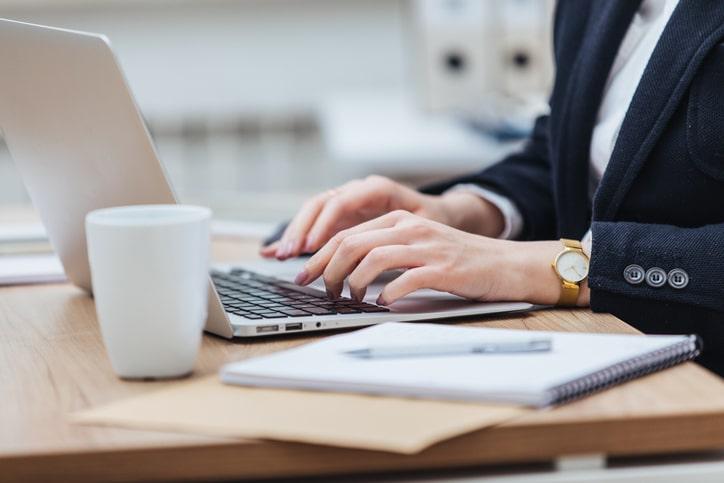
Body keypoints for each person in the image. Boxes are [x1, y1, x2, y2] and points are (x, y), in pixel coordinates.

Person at [261, 0, 724, 374]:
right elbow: (571, 156)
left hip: (698, 377)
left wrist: (556, 269)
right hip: (597, 344)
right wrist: (460, 212)